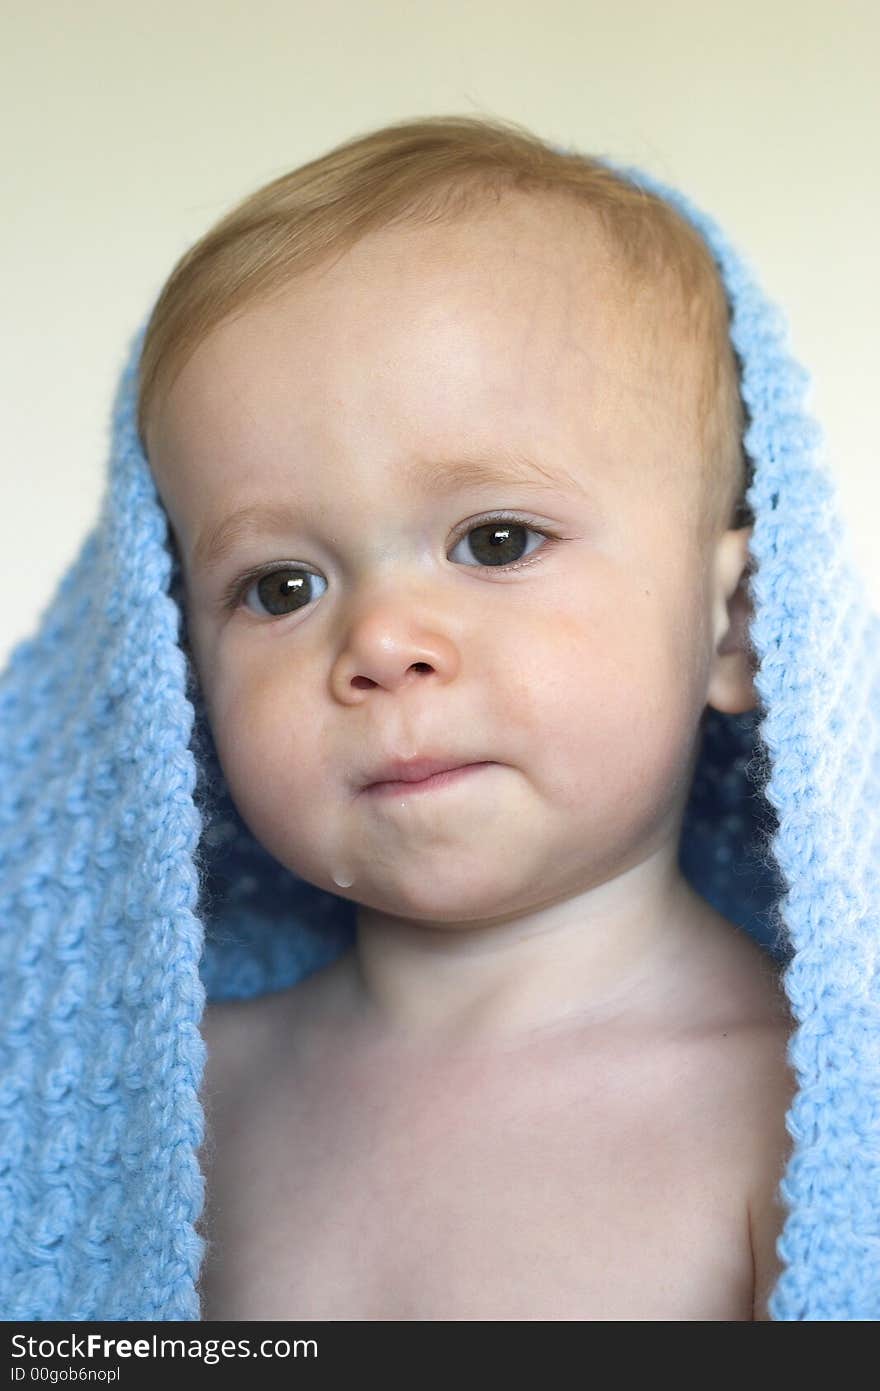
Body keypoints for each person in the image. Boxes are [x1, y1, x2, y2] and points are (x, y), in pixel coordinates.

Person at [2, 115, 876, 1322]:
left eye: (495, 540)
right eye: (279, 586)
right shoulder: (154, 1104)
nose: (377, 642)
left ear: (736, 627)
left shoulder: (803, 1123)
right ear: (173, 672)